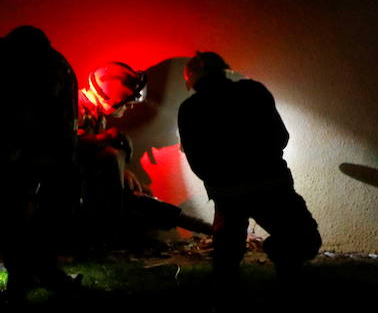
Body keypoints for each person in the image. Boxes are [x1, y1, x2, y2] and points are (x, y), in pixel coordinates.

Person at [178, 51, 321, 292]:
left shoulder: (190, 109)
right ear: (224, 71)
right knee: (303, 238)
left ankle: (225, 298)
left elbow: (197, 161)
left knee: (227, 254)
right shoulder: (254, 92)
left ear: (192, 80)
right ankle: (286, 273)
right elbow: (281, 137)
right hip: (271, 185)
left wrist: (221, 181)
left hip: (227, 193)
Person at [0, 25, 81, 300]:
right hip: (30, 148)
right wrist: (64, 156)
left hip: (18, 147)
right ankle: (37, 270)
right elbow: (64, 114)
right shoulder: (55, 64)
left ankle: (25, 273)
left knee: (17, 203)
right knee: (28, 203)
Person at [75, 62, 212, 249]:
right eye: (127, 103)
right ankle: (108, 240)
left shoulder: (96, 113)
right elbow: (69, 147)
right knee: (133, 197)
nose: (129, 108)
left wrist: (123, 172)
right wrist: (108, 139)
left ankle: (211, 230)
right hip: (76, 190)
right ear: (114, 96)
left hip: (91, 185)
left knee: (144, 196)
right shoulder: (77, 107)